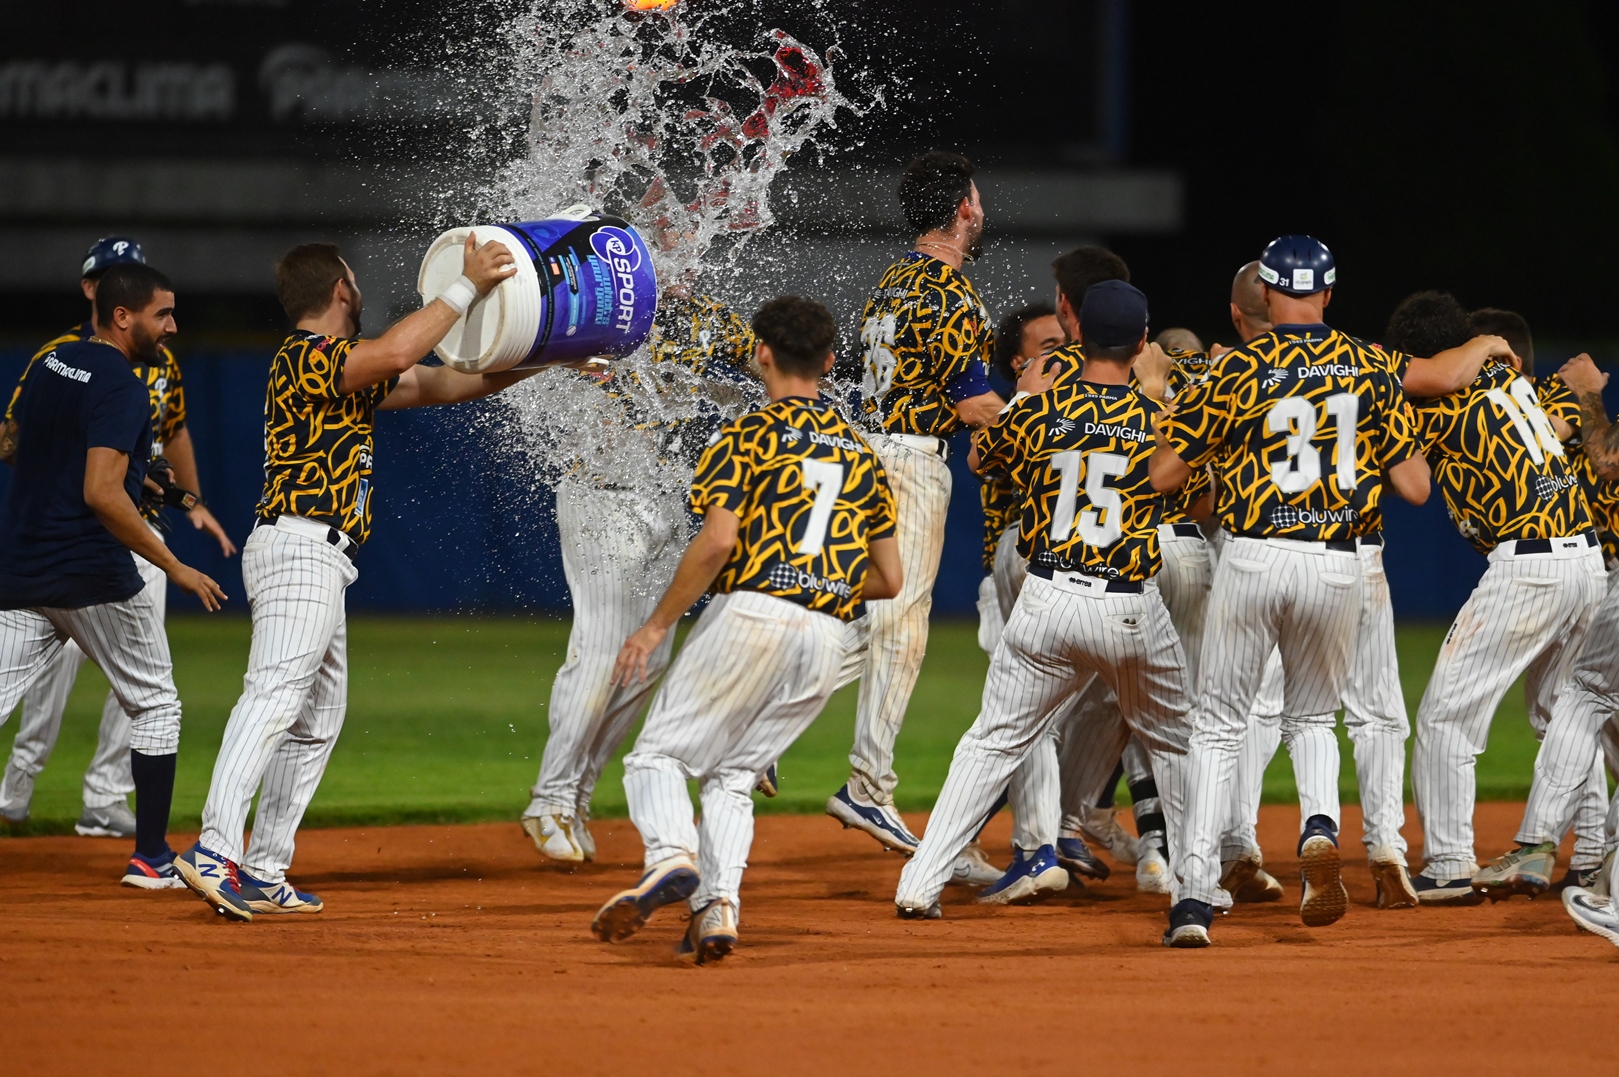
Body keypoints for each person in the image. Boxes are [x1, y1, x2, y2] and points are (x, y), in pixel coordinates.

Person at [173, 237, 536, 921]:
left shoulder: (343, 373)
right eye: (356, 281)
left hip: (324, 555)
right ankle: (214, 849)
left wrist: (552, 355)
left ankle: (263, 870)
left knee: (314, 721)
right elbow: (400, 353)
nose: (362, 289)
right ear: (341, 289)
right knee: (275, 696)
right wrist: (466, 287)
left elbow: (451, 382)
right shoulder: (304, 355)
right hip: (299, 545)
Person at [590, 296, 901, 963]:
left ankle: (672, 856)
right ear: (828, 361)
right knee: (731, 774)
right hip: (827, 632)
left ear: (760, 351)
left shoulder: (745, 434)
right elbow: (890, 579)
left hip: (755, 611)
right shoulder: (862, 453)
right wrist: (817, 583)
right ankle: (718, 908)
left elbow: (716, 543)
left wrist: (653, 627)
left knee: (657, 757)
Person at [1152, 235, 1432, 947]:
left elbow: (1163, 475)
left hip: (1251, 555)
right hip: (1337, 560)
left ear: (1267, 294)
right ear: (1328, 293)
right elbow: (1414, 486)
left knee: (1216, 724)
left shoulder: (1239, 367)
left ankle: (1191, 896)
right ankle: (1317, 825)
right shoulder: (1370, 366)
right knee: (1313, 719)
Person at [893, 279, 1194, 918]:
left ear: (1079, 335)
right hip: (1127, 606)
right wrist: (1161, 389)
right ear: (1142, 341)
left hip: (1046, 599)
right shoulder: (1158, 418)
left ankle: (919, 883)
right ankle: (1196, 889)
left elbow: (980, 459)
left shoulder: (1036, 412)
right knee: (1178, 743)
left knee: (991, 742)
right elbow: (1191, 485)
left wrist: (1028, 394)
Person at [0, 263, 227, 888]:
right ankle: (151, 857)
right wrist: (175, 565)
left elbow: (19, 444)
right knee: (156, 703)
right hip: (89, 572)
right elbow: (102, 492)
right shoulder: (125, 387)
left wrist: (170, 494)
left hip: (21, 566)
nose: (173, 326)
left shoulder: (51, 362)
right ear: (123, 315)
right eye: (163, 313)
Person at [1380, 292, 1606, 904]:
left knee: (1446, 718)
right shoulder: (1510, 382)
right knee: (1564, 715)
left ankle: (1450, 865)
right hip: (1587, 562)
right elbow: (1560, 423)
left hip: (1531, 567)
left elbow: (1411, 474)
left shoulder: (1437, 402)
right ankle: (1591, 858)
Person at [519, 291, 758, 863]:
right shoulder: (602, 309)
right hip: (599, 492)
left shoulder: (706, 313)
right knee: (603, 647)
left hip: (663, 497)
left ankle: (575, 794)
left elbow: (768, 360)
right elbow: (543, 355)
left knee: (645, 662)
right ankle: (547, 797)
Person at [828, 150, 1001, 853]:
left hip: (866, 452)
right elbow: (976, 405)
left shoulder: (891, 281)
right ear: (962, 210)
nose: (982, 209)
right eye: (977, 200)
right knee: (901, 623)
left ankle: (766, 713)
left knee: (873, 620)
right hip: (906, 462)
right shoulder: (948, 293)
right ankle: (867, 787)